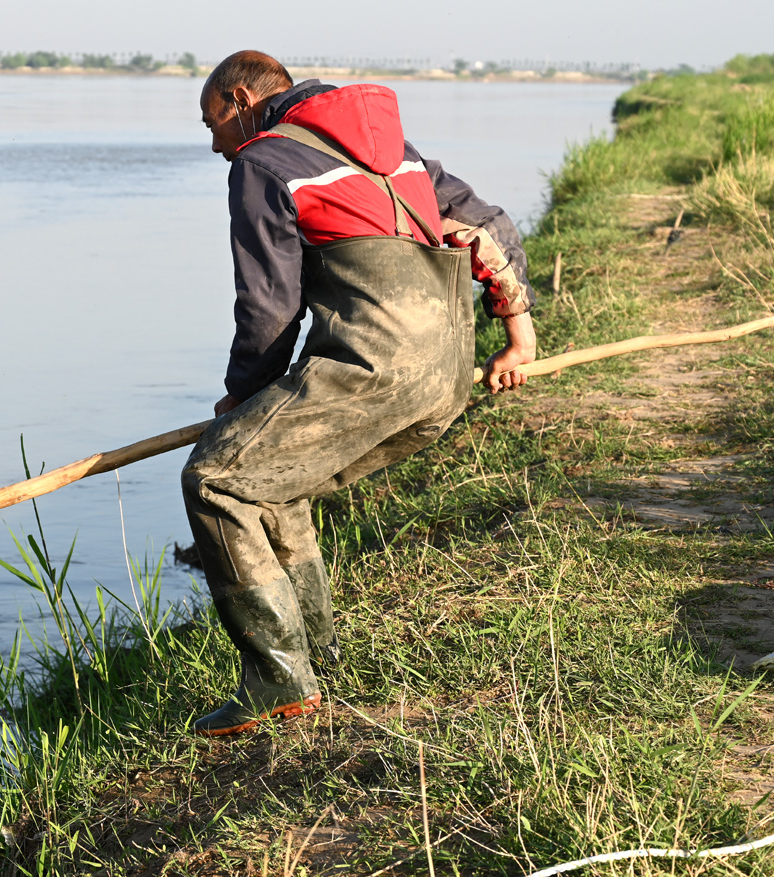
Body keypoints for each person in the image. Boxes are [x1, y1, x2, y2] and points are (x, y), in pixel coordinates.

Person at [185, 51, 537, 737]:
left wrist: (244, 395)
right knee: (275, 484)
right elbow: (486, 230)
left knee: (216, 480)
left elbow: (269, 305)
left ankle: (277, 682)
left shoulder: (264, 162)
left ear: (241, 99)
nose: (216, 144)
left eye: (213, 123)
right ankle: (321, 661)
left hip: (373, 370)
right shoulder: (393, 156)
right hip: (442, 379)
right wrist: (518, 334)